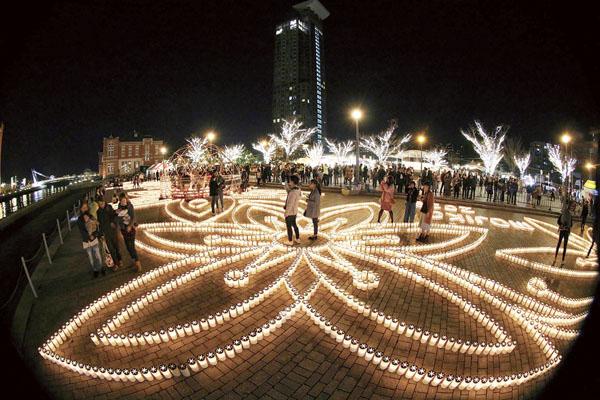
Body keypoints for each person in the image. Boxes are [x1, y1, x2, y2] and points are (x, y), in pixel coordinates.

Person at [116, 192, 141, 272]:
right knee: (127, 246)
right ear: (120, 201)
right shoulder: (119, 207)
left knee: (131, 247)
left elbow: (133, 217)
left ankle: (138, 264)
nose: (123, 202)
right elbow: (119, 218)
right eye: (121, 201)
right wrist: (117, 215)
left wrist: (130, 226)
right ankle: (133, 261)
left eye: (124, 200)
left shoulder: (130, 206)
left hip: (131, 229)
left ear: (126, 199)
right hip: (124, 230)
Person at [77, 211, 105, 278]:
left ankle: (101, 268)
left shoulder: (93, 222)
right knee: (91, 258)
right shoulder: (81, 224)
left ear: (89, 216)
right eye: (84, 217)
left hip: (94, 241)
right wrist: (88, 237)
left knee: (98, 256)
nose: (85, 218)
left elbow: (97, 230)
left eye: (87, 217)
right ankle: (95, 270)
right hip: (86, 242)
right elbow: (82, 232)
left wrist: (93, 235)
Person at [97, 198, 121, 269]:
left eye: (102, 203)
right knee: (110, 249)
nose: (101, 205)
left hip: (112, 230)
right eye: (99, 204)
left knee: (116, 246)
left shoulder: (109, 207)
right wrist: (101, 234)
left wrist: (113, 222)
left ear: (104, 202)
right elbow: (100, 224)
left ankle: (120, 259)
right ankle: (116, 263)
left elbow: (114, 215)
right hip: (106, 232)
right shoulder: (98, 212)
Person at [553, 201, 575, 267]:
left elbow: (559, 221)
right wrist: (564, 225)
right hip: (565, 231)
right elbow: (570, 224)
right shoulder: (567, 214)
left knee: (560, 244)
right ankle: (561, 260)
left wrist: (561, 225)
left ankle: (556, 259)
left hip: (564, 231)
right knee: (563, 245)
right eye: (571, 206)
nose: (572, 208)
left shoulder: (565, 214)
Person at [284, 175, 301, 245]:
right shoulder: (297, 189)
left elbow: (290, 204)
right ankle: (297, 238)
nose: (289, 182)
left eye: (290, 181)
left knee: (289, 227)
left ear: (293, 182)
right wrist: (286, 185)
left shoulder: (293, 192)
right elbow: (288, 190)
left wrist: (286, 213)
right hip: (294, 211)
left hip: (290, 212)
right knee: (294, 225)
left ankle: (290, 241)